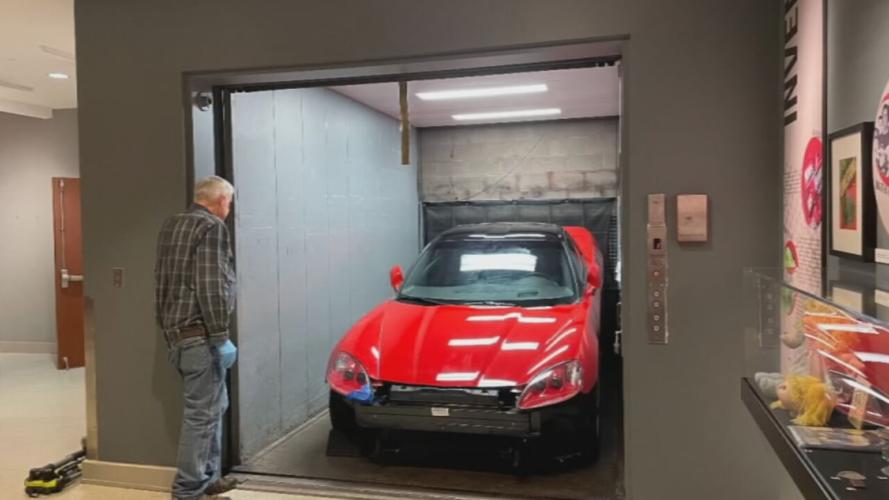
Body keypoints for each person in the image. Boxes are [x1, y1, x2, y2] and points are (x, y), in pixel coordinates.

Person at [155, 176, 239, 500]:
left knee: (213, 408)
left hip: (178, 335)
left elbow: (160, 282)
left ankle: (210, 478)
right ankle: (188, 490)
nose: (228, 210)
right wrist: (220, 336)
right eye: (228, 203)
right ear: (220, 201)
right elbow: (211, 285)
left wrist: (167, 329)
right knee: (202, 416)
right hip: (200, 338)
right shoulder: (212, 228)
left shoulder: (171, 224)